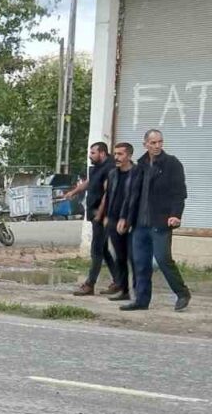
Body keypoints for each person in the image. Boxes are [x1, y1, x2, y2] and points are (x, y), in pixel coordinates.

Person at [120, 129, 191, 312]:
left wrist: (176, 215)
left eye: (160, 142)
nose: (157, 146)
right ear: (145, 144)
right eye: (153, 143)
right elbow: (132, 196)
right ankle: (142, 301)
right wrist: (125, 218)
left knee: (163, 259)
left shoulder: (172, 164)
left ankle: (182, 293)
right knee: (141, 264)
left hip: (161, 222)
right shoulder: (140, 166)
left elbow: (179, 194)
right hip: (140, 225)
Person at [68, 142, 121, 297]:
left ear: (102, 153)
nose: (90, 155)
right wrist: (74, 192)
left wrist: (100, 213)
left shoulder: (110, 168)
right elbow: (90, 182)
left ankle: (90, 284)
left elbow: (108, 192)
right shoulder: (97, 167)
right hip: (95, 214)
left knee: (96, 250)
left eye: (93, 153)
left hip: (103, 215)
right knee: (103, 250)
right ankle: (119, 281)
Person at [100, 142, 138, 302]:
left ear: (129, 155)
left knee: (134, 258)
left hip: (131, 220)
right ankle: (124, 290)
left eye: (120, 154)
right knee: (120, 257)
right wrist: (106, 215)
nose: (116, 157)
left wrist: (129, 220)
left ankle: (139, 292)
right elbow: (108, 195)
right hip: (113, 220)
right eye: (115, 154)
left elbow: (136, 198)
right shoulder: (113, 173)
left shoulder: (137, 173)